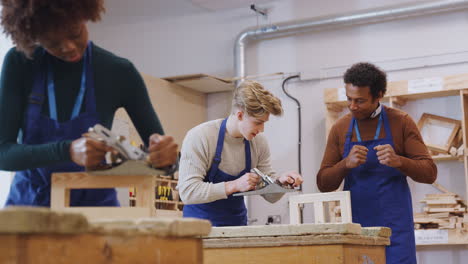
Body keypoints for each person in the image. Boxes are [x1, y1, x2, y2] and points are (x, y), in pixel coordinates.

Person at [0, 0, 178, 207]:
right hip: (29, 209)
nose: (68, 47)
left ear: (84, 16)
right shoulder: (21, 63)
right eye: (52, 42)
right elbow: (4, 154)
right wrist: (67, 151)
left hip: (95, 212)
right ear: (34, 37)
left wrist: (166, 158)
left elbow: (163, 161)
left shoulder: (119, 72)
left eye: (75, 33)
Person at [317, 62, 437, 264]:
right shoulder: (340, 127)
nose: (352, 106)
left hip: (395, 230)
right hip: (356, 230)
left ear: (379, 95)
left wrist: (399, 161)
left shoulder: (401, 121)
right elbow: (323, 183)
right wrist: (345, 164)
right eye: (349, 99)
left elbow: (429, 173)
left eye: (360, 101)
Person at [178, 80, 303, 226]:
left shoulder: (258, 143)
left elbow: (270, 197)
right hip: (198, 229)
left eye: (264, 123)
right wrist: (235, 185)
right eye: (257, 122)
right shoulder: (201, 136)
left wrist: (280, 183)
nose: (262, 129)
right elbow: (188, 192)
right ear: (239, 115)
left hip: (237, 226)